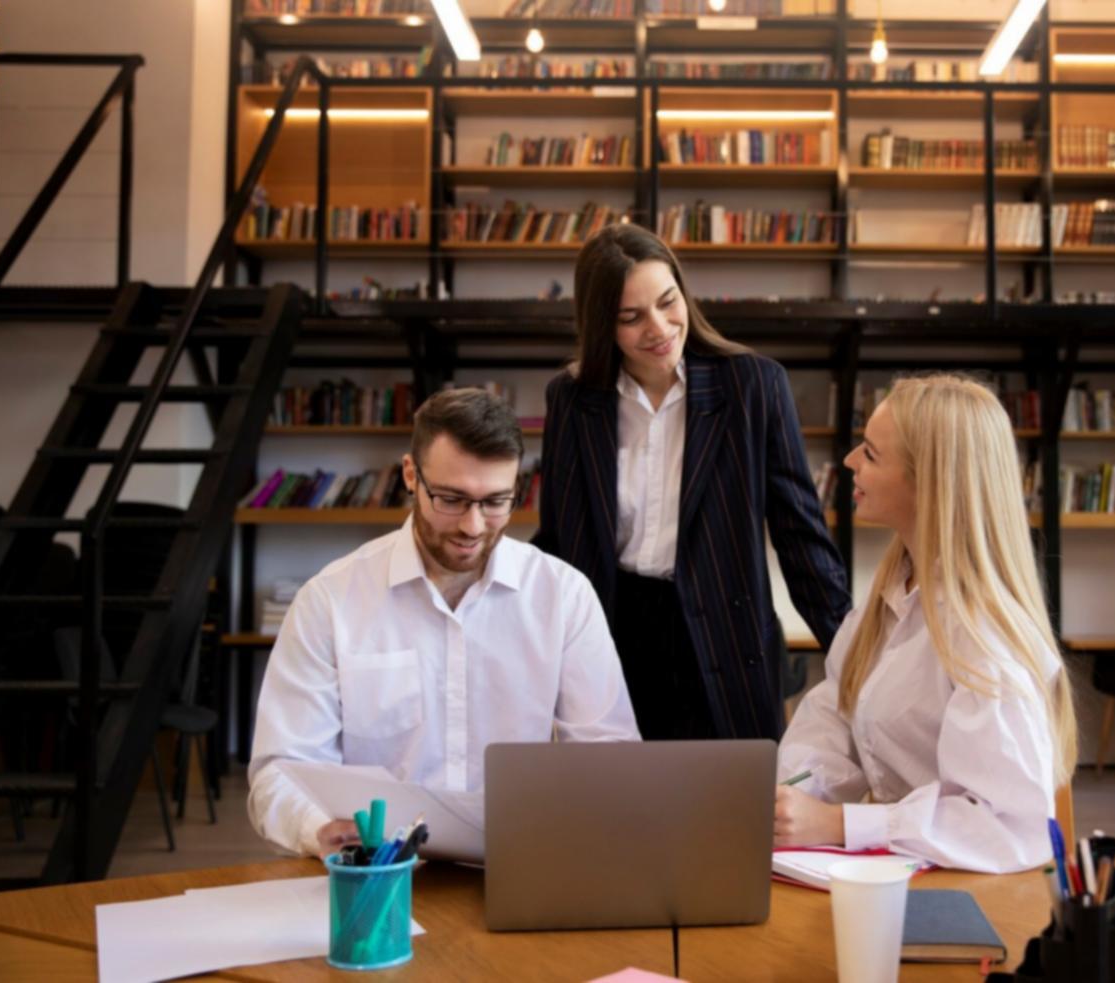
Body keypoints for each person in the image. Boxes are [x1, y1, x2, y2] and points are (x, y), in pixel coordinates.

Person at [248, 388, 639, 858]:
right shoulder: (329, 601)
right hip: (375, 871)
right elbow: (280, 772)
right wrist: (320, 827)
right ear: (411, 475)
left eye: (496, 501)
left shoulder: (562, 595)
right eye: (451, 499)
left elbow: (609, 757)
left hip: (517, 863)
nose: (473, 526)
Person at [533, 224, 850, 742]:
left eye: (668, 301)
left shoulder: (753, 386)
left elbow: (802, 538)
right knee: (621, 809)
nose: (658, 328)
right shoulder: (571, 400)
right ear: (600, 325)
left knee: (733, 810)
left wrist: (859, 660)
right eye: (631, 317)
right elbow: (559, 542)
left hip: (727, 629)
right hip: (614, 630)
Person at [773, 375, 1077, 873]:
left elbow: (1010, 829)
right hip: (905, 878)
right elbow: (831, 723)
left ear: (929, 482)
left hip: (968, 899)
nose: (849, 461)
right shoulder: (885, 604)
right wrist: (790, 801)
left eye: (870, 454)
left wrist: (840, 824)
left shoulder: (983, 637)